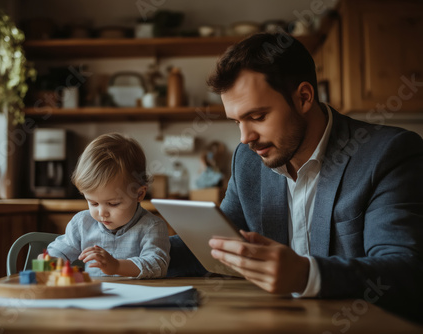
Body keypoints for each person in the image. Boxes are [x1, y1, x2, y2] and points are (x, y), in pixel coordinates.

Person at [168, 33, 423, 322]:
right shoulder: (248, 160)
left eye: (258, 116)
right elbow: (218, 242)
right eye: (237, 121)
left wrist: (306, 275)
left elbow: (404, 272)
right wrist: (132, 244)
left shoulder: (388, 154)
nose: (245, 138)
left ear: (304, 97)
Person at [47, 133, 170, 278]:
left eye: (113, 204)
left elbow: (157, 265)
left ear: (139, 194)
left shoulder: (152, 227)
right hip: (94, 297)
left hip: (137, 298)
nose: (102, 212)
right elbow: (59, 252)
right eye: (93, 203)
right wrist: (50, 261)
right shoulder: (82, 224)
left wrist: (117, 266)